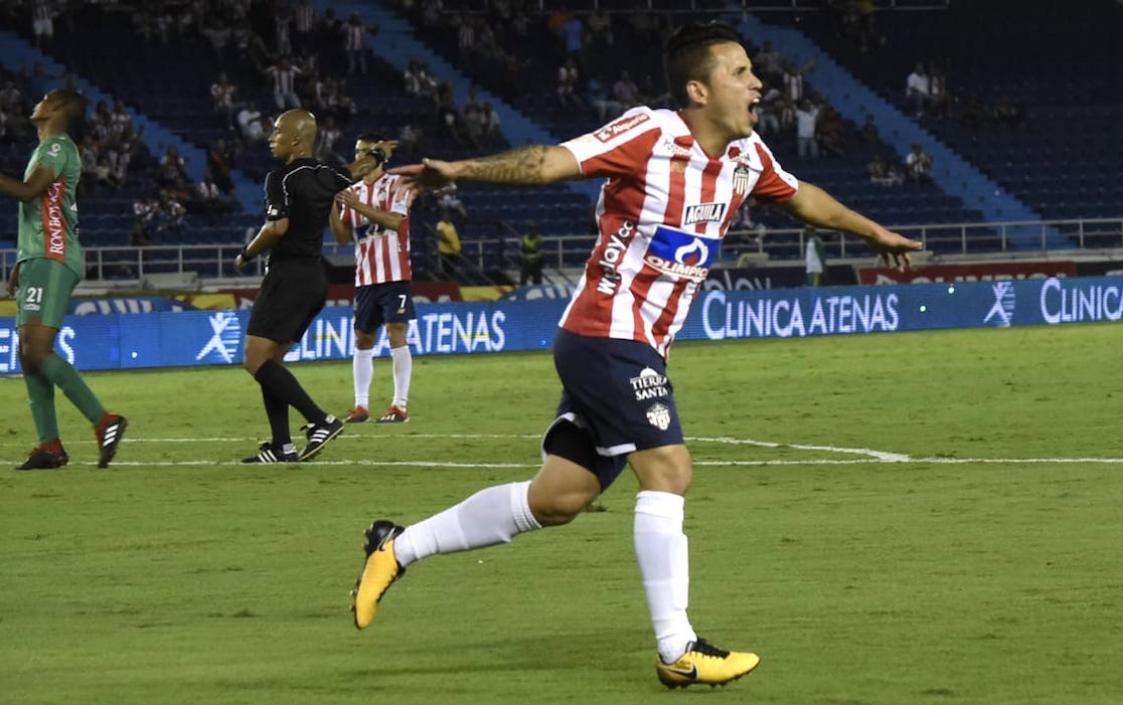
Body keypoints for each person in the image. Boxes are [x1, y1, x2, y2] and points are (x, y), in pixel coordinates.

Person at [353, 22, 921, 689]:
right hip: (605, 333)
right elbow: (549, 163)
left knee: (559, 496)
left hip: (633, 346)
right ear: (697, 89)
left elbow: (803, 199)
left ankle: (398, 546)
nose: (758, 83)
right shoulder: (651, 134)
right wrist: (459, 170)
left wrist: (872, 230)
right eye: (740, 72)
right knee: (671, 472)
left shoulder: (746, 156)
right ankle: (678, 647)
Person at [231, 109, 387, 463]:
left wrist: (245, 253)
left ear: (297, 140)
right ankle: (281, 446)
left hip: (287, 277)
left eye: (277, 132)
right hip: (315, 278)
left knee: (254, 361)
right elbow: (358, 170)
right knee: (272, 364)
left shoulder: (281, 178)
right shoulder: (328, 173)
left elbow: (277, 228)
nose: (271, 138)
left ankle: (321, 420)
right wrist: (378, 155)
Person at [2, 89, 128, 470]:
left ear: (55, 108)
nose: (35, 103)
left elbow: (29, 192)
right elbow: (42, 208)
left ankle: (105, 421)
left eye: (42, 98)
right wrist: (23, 259)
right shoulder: (47, 149)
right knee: (28, 354)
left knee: (38, 350)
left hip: (53, 256)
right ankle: (50, 445)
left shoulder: (57, 147)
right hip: (40, 256)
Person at [329, 133, 417, 425]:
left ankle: (399, 406)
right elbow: (342, 238)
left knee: (395, 331)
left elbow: (394, 221)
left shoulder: (397, 184)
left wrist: (355, 206)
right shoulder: (352, 191)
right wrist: (332, 203)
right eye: (357, 151)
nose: (361, 158)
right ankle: (361, 407)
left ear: (381, 156)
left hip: (395, 273)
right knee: (363, 338)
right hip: (365, 276)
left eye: (367, 152)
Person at [434, 209, 461, 276]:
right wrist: (448, 242)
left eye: (448, 215)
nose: (447, 217)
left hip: (454, 249)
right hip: (446, 250)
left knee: (452, 269)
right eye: (446, 215)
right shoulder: (440, 224)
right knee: (447, 268)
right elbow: (440, 235)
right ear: (442, 216)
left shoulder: (451, 224)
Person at [519, 221, 544, 285]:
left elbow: (541, 251)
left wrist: (536, 256)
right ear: (528, 230)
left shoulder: (539, 239)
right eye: (531, 229)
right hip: (526, 263)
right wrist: (525, 257)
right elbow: (520, 251)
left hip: (536, 263)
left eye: (534, 229)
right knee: (523, 281)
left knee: (537, 282)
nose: (532, 231)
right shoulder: (523, 239)